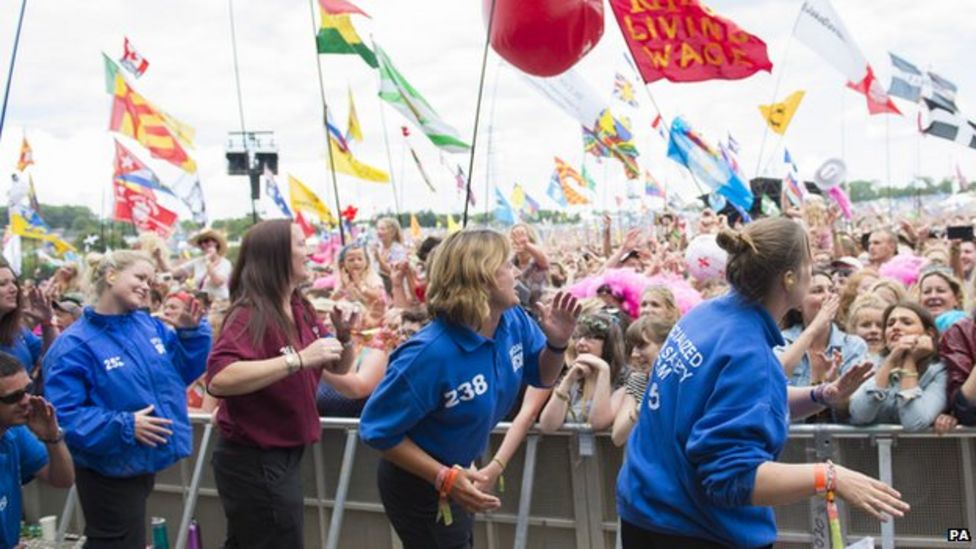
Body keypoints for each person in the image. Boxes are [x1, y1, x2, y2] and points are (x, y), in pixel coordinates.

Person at [617, 217, 908, 548]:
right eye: (809, 263)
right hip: (694, 529)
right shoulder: (748, 354)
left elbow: (724, 403)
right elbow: (730, 477)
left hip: (644, 510)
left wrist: (821, 394)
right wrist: (829, 476)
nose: (813, 272)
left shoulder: (706, 315)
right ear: (789, 278)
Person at [359, 229, 580, 549]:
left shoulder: (513, 320)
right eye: (507, 265)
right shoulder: (429, 354)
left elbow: (542, 376)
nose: (517, 272)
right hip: (419, 487)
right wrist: (443, 477)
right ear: (481, 278)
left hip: (458, 475)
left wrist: (558, 344)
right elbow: (376, 430)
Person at [43, 250, 211, 548]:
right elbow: (64, 415)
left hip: (138, 462)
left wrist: (190, 335)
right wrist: (125, 425)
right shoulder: (74, 343)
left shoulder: (149, 326)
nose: (148, 286)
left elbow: (176, 376)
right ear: (111, 276)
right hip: (105, 468)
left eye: (151, 280)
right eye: (140, 277)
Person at [206, 220, 357, 548]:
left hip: (281, 458)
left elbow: (338, 366)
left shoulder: (300, 307)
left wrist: (344, 338)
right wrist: (298, 359)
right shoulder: (249, 314)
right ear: (276, 255)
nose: (310, 251)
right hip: (253, 460)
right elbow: (219, 378)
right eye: (301, 243)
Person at [0, 352, 74, 547]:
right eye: (13, 397)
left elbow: (63, 479)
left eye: (28, 389)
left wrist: (52, 438)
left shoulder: (14, 434)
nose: (26, 401)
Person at [849, 302, 948, 431]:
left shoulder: (940, 371)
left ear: (929, 334)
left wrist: (909, 359)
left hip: (920, 450)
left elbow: (914, 422)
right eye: (890, 324)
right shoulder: (869, 363)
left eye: (906, 322)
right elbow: (860, 414)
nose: (895, 327)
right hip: (869, 450)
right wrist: (892, 360)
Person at [776, 271, 868, 388]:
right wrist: (815, 326)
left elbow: (854, 403)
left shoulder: (853, 345)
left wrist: (835, 384)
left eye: (832, 290)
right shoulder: (781, 340)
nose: (828, 296)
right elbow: (775, 376)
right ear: (798, 304)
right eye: (817, 291)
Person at [538, 312, 627, 432]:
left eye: (589, 338)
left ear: (608, 344)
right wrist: (568, 381)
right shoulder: (572, 375)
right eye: (578, 337)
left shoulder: (624, 378)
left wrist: (603, 370)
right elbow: (548, 426)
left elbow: (598, 423)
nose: (580, 343)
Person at [611, 316, 673, 447]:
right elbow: (618, 437)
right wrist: (640, 409)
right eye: (633, 347)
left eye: (641, 346)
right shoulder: (638, 379)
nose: (634, 354)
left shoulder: (683, 382)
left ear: (666, 344)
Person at [0, 261, 57, 376]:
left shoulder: (18, 331)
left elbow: (53, 358)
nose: (14, 289)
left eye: (14, 282)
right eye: (2, 284)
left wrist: (47, 323)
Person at [173, 228, 232, 302]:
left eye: (206, 241)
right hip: (202, 303)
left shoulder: (225, 263)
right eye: (201, 242)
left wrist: (208, 262)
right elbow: (173, 272)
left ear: (216, 243)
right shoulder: (198, 261)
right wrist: (159, 258)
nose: (204, 244)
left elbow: (218, 282)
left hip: (219, 304)